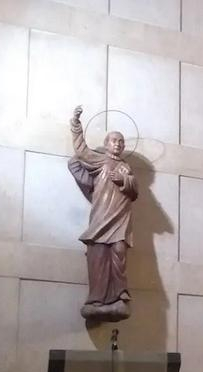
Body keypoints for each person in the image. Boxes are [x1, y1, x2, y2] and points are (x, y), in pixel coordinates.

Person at [67, 105, 138, 322]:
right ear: (107, 145)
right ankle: (96, 300)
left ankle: (119, 295)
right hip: (101, 218)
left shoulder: (126, 167)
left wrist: (123, 180)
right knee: (97, 255)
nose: (118, 144)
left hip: (120, 220)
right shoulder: (99, 160)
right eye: (114, 141)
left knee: (119, 253)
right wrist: (76, 125)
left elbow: (134, 191)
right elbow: (81, 152)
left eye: (121, 142)